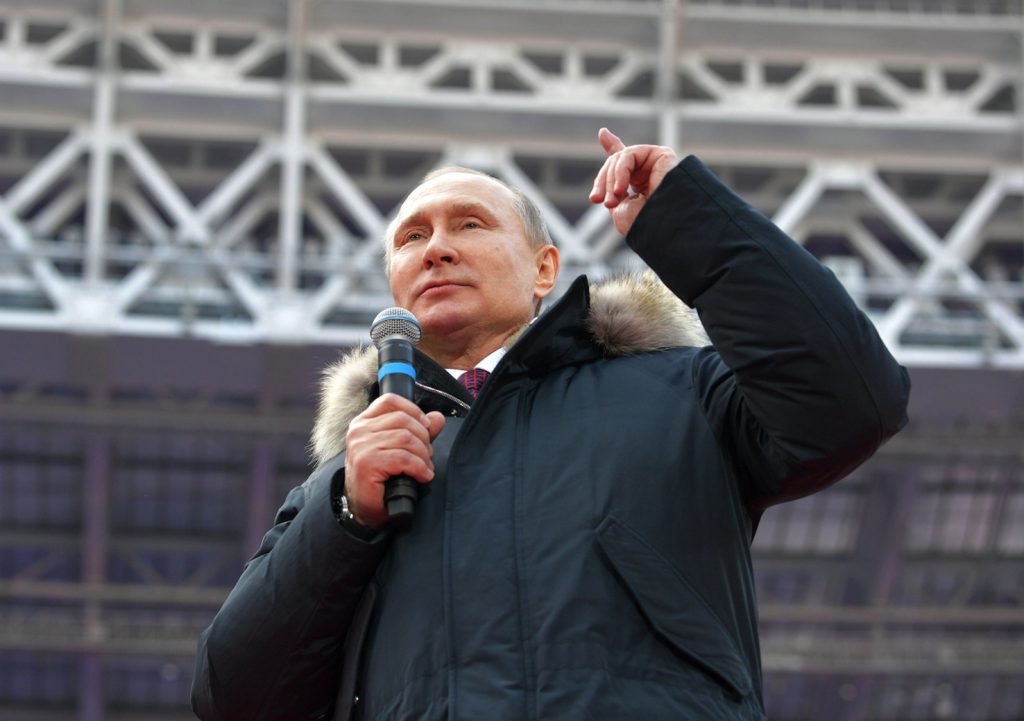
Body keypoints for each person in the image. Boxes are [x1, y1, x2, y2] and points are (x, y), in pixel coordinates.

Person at [191, 129, 910, 721]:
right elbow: (234, 697)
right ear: (396, 285)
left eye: (470, 224)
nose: (436, 247)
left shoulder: (682, 392)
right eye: (412, 237)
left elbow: (851, 403)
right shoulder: (345, 484)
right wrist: (347, 516)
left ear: (545, 270)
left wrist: (691, 222)